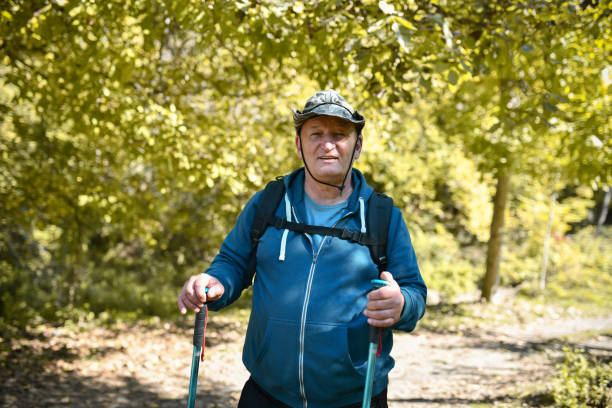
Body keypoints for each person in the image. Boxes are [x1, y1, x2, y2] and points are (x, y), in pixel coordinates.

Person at [178, 90, 427, 408]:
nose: (327, 145)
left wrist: (401, 304)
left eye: (339, 135)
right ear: (299, 144)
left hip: (356, 397)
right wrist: (213, 283)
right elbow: (232, 264)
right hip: (267, 393)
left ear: (357, 145)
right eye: (316, 134)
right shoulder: (267, 204)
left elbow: (414, 292)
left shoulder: (382, 215)